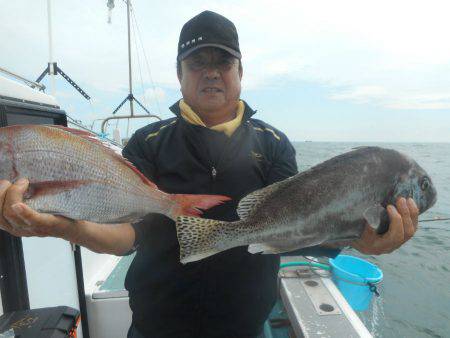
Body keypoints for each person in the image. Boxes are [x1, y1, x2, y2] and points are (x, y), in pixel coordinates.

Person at [0, 10, 419, 338]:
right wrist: (64, 229)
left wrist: (359, 239)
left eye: (224, 60)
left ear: (240, 72)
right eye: (197, 61)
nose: (212, 71)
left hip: (244, 327)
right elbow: (129, 235)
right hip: (156, 326)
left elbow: (296, 224)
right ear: (179, 74)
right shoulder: (149, 142)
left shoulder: (273, 144)